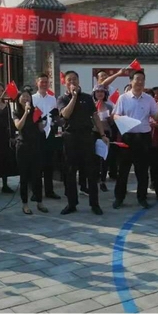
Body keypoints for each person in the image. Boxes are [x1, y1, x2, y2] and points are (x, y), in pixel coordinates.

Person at [58, 71, 109, 215]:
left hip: (87, 137)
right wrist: (74, 97)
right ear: (65, 83)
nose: (72, 82)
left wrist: (102, 134)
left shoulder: (87, 98)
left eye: (74, 79)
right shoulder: (62, 98)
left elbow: (95, 116)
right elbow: (65, 114)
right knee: (70, 172)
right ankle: (72, 203)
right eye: (69, 80)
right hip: (70, 137)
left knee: (91, 171)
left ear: (79, 81)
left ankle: (95, 204)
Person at [112, 70, 158, 210]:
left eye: (142, 79)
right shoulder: (123, 98)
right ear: (131, 81)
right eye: (137, 79)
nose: (139, 82)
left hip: (144, 137)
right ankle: (119, 198)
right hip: (127, 137)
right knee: (123, 170)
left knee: (142, 171)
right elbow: (115, 115)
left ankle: (142, 198)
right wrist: (122, 119)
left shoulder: (149, 99)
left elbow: (156, 117)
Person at [13, 89, 48, 215]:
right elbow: (18, 126)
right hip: (22, 147)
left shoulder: (36, 111)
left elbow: (40, 127)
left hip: (35, 146)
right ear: (19, 100)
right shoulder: (16, 112)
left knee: (37, 176)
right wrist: (26, 113)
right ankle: (25, 204)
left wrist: (44, 122)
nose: (26, 99)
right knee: (24, 177)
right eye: (23, 97)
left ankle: (39, 202)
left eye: (27, 97)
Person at [31, 74, 61, 199]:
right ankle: (36, 192)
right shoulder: (32, 98)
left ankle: (49, 191)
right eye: (41, 82)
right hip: (36, 134)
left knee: (49, 163)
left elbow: (56, 116)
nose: (44, 84)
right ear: (37, 83)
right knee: (37, 164)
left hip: (49, 133)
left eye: (46, 82)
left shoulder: (52, 99)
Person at [92, 85, 115, 193]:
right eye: (97, 92)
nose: (100, 94)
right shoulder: (91, 106)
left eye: (102, 92)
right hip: (94, 133)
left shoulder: (109, 106)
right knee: (94, 158)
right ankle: (94, 178)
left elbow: (112, 123)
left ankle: (103, 181)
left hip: (106, 133)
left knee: (104, 158)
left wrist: (110, 118)